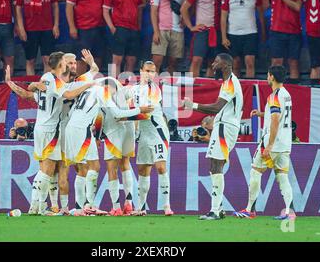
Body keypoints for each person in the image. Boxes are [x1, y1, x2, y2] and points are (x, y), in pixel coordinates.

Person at [65, 77, 152, 215]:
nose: (112, 94)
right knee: (104, 166)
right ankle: (90, 206)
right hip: (100, 130)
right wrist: (139, 110)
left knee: (87, 168)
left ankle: (89, 206)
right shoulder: (106, 92)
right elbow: (117, 113)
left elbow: (72, 114)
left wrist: (98, 136)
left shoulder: (89, 90)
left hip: (81, 128)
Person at [27, 51, 94, 215]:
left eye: (73, 63)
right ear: (60, 64)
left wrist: (91, 64)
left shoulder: (49, 79)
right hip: (51, 129)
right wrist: (89, 85)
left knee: (50, 170)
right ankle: (38, 206)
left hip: (45, 127)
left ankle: (42, 206)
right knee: (47, 169)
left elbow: (32, 90)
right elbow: (69, 93)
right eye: (66, 61)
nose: (70, 64)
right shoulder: (54, 80)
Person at [182, 53, 243, 220]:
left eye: (217, 61)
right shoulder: (227, 83)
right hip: (224, 126)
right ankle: (219, 209)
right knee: (215, 165)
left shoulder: (230, 83)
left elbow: (216, 108)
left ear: (226, 65)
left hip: (225, 127)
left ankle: (215, 210)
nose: (213, 64)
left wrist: (192, 105)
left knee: (216, 165)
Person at [233, 65, 295, 220]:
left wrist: (270, 145)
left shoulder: (274, 96)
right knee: (282, 176)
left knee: (255, 171)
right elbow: (279, 116)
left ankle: (249, 210)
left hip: (272, 142)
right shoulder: (286, 94)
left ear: (272, 77)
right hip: (285, 143)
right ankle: (289, 212)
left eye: (268, 75)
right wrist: (262, 114)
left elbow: (275, 120)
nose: (267, 78)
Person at [125, 61, 174, 216]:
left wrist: (123, 117)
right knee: (143, 170)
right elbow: (123, 101)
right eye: (147, 71)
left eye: (153, 72)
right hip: (144, 134)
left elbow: (146, 112)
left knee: (160, 167)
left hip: (158, 132)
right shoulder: (133, 89)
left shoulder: (154, 89)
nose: (150, 74)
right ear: (140, 71)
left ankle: (166, 206)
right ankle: (140, 207)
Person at [181, 0, 228, 77]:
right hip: (202, 31)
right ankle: (192, 89)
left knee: (213, 63)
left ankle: (208, 91)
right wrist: (191, 27)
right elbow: (184, 9)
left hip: (216, 31)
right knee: (196, 60)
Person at [15, 0, 60, 75]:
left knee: (47, 60)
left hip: (47, 27)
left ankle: (45, 88)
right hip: (30, 28)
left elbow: (55, 5)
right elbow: (18, 9)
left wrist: (56, 25)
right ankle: (32, 88)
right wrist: (21, 28)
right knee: (30, 60)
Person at [66, 0, 106, 76]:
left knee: (98, 57)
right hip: (83, 28)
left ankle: (94, 84)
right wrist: (72, 27)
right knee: (82, 58)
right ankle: (79, 85)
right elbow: (69, 7)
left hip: (100, 27)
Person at [103, 0, 144, 76]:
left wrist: (139, 25)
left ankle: (128, 86)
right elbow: (105, 10)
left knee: (131, 60)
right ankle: (114, 85)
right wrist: (112, 27)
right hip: (120, 28)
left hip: (134, 29)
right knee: (117, 60)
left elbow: (139, 8)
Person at [150, 0, 189, 74]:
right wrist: (156, 31)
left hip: (178, 29)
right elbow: (153, 11)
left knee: (173, 63)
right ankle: (153, 88)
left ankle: (169, 87)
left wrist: (185, 20)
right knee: (156, 61)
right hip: (162, 29)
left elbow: (189, 8)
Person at [221, 0, 260, 78]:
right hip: (233, 34)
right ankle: (236, 91)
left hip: (250, 33)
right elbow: (223, 18)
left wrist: (263, 33)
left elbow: (261, 14)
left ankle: (250, 90)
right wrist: (224, 37)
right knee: (236, 64)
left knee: (250, 62)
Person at [268, 0, 302, 80]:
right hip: (277, 31)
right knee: (276, 62)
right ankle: (272, 91)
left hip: (294, 31)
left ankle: (295, 92)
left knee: (294, 63)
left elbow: (297, 7)